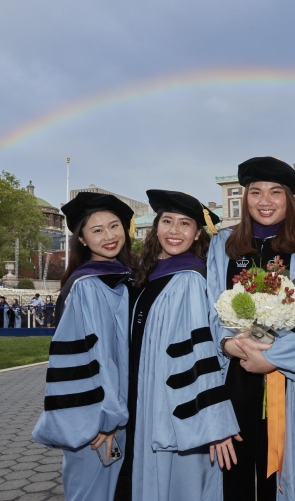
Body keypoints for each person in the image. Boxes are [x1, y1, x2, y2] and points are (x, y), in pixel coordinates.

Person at [207, 157, 295, 501]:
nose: (264, 201)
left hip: (287, 375)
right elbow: (208, 308)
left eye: (275, 192)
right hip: (232, 376)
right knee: (231, 470)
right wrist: (226, 343)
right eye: (255, 192)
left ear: (290, 198)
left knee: (283, 470)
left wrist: (269, 355)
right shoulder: (222, 246)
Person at [114, 190, 239, 501]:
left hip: (175, 412)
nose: (174, 231)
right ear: (156, 227)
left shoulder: (191, 279)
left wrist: (213, 420)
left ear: (198, 234)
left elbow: (199, 352)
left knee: (178, 485)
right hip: (141, 399)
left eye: (185, 224)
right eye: (167, 221)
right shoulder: (146, 275)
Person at [32, 192, 136, 501]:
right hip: (99, 421)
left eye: (114, 226)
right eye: (97, 230)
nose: (109, 236)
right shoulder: (88, 286)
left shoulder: (123, 278)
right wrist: (106, 420)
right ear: (82, 239)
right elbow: (95, 358)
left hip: (116, 412)